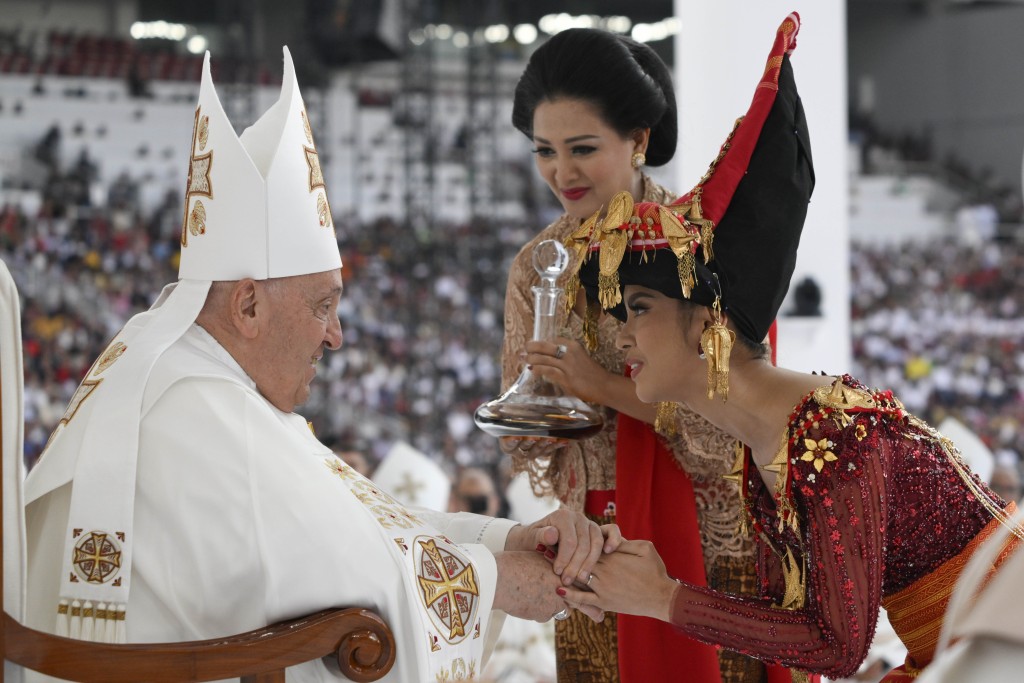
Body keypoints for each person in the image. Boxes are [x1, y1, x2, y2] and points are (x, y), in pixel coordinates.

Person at [20, 48, 613, 683]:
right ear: (247, 304)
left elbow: (355, 522)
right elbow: (331, 563)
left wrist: (499, 541)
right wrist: (495, 578)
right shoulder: (189, 400)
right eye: (322, 305)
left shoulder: (195, 377)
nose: (335, 336)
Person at [557, 12, 1023, 682]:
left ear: (705, 322)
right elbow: (801, 619)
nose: (622, 333)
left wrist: (661, 597)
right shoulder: (780, 438)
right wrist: (623, 578)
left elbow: (837, 645)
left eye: (638, 307)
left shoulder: (832, 440)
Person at [502, 20, 778, 683]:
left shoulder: (703, 246)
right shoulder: (536, 265)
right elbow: (524, 436)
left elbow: (732, 421)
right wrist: (534, 410)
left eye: (582, 148)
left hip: (716, 539)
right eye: (544, 151)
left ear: (638, 139)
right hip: (592, 545)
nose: (560, 172)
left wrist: (598, 386)